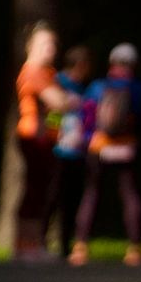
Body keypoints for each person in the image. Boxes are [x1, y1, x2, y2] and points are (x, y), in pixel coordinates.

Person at [72, 42, 141, 266]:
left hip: (99, 146)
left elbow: (85, 115)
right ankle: (134, 248)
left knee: (91, 193)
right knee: (129, 194)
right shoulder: (137, 88)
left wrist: (88, 140)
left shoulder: (97, 86)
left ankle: (80, 246)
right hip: (125, 147)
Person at [9, 25, 68, 260]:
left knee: (40, 191)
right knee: (34, 191)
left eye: (53, 44)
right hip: (33, 135)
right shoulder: (33, 71)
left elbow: (61, 103)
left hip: (46, 137)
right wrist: (66, 100)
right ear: (30, 46)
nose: (51, 49)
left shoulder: (48, 72)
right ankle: (26, 246)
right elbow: (59, 101)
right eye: (45, 44)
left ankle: (31, 244)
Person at [46, 43, 95, 256]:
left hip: (77, 150)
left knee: (71, 199)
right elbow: (51, 114)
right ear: (80, 65)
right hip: (58, 149)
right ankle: (39, 240)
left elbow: (88, 119)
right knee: (52, 196)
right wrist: (55, 133)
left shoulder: (83, 89)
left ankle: (65, 245)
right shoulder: (59, 83)